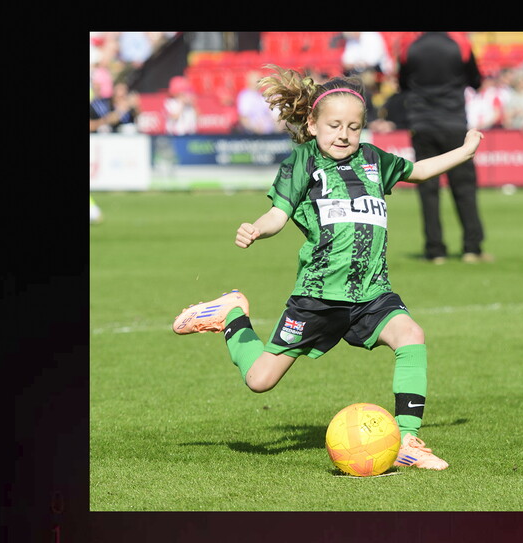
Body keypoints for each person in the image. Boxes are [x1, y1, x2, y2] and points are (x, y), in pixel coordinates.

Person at [172, 65, 486, 471]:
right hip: (317, 296)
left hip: (372, 292)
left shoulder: (374, 159)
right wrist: (256, 229)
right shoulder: (302, 162)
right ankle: (232, 314)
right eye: (335, 125)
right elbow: (278, 215)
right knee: (260, 380)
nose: (344, 135)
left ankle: (407, 440)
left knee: (411, 335)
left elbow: (421, 170)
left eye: (354, 127)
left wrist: (465, 151)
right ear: (314, 125)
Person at [399, 31, 490, 264]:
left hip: (422, 124)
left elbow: (402, 83)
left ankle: (435, 250)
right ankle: (472, 248)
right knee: (464, 187)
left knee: (427, 189)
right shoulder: (459, 44)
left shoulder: (411, 46)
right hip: (453, 123)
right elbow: (476, 81)